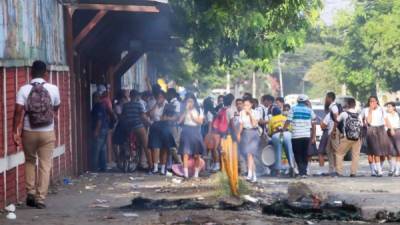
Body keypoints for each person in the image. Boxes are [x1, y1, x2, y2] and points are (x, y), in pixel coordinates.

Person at [13, 60, 61, 209]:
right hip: (47, 132)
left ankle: (31, 192)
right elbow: (56, 106)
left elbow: (18, 112)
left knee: (29, 161)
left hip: (29, 131)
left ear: (31, 72)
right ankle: (40, 198)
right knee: (45, 165)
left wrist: (15, 131)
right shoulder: (53, 89)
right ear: (46, 73)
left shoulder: (24, 89)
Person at [120, 90, 152, 173]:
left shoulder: (125, 105)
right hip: (138, 127)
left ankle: (128, 157)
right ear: (137, 96)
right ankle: (151, 166)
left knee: (127, 143)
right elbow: (143, 117)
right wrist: (150, 124)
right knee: (146, 145)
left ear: (130, 96)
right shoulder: (139, 105)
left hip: (128, 128)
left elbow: (122, 116)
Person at [284, 95, 316, 178]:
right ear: (306, 102)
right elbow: (314, 123)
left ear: (297, 101)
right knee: (304, 154)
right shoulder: (309, 110)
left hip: (296, 136)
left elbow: (288, 121)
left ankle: (301, 172)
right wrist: (313, 136)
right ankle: (303, 172)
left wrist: (283, 129)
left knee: (297, 154)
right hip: (306, 136)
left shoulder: (293, 109)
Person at [362, 96, 392, 177]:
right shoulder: (366, 110)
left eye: (374, 101)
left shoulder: (381, 109)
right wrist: (370, 111)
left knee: (383, 153)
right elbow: (368, 121)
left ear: (377, 101)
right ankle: (377, 171)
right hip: (371, 130)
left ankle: (378, 169)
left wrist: (391, 129)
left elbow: (386, 120)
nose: (372, 103)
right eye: (371, 101)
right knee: (374, 152)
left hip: (381, 130)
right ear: (369, 102)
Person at [178, 93, 205, 178]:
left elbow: (200, 122)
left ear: (194, 102)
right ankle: (185, 175)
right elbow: (179, 121)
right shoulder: (184, 110)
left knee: (197, 154)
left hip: (195, 131)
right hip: (186, 131)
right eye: (188, 101)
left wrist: (193, 117)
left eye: (191, 101)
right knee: (185, 153)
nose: (189, 103)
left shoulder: (199, 110)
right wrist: (186, 111)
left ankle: (196, 174)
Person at [334, 98, 363, 177]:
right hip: (357, 138)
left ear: (348, 104)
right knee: (355, 155)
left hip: (347, 137)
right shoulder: (358, 114)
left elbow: (337, 120)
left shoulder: (344, 113)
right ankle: (353, 172)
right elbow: (362, 125)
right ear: (354, 105)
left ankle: (339, 172)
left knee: (339, 153)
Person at [238, 98, 261, 183]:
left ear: (251, 105)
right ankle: (254, 176)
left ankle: (249, 174)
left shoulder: (256, 112)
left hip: (254, 133)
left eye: (247, 105)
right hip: (245, 134)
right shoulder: (241, 113)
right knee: (249, 156)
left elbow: (254, 124)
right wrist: (238, 135)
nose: (245, 107)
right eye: (244, 105)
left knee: (249, 154)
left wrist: (250, 114)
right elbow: (241, 125)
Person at [268, 107, 295, 177]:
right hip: (286, 134)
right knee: (289, 151)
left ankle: (278, 171)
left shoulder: (271, 120)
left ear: (273, 113)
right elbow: (291, 129)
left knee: (278, 153)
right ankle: (292, 167)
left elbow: (269, 133)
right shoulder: (285, 118)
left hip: (276, 135)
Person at [148, 91, 168, 174]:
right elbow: (151, 114)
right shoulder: (156, 105)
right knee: (155, 147)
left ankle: (163, 169)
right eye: (158, 97)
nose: (159, 98)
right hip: (155, 126)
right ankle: (155, 168)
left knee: (164, 148)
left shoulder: (167, 105)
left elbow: (164, 117)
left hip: (164, 126)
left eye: (160, 97)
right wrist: (156, 104)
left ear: (164, 98)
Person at [322, 92, 340, 176]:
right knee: (328, 150)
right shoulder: (331, 107)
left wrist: (334, 130)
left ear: (330, 98)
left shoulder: (333, 107)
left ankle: (338, 170)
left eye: (326, 98)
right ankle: (331, 170)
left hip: (333, 132)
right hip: (330, 132)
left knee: (336, 151)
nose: (325, 99)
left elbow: (337, 119)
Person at [91, 91, 110, 172]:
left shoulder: (98, 106)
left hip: (100, 130)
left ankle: (94, 168)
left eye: (94, 98)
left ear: (97, 98)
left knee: (96, 149)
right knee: (103, 149)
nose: (93, 99)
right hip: (104, 129)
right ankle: (103, 167)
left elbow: (99, 120)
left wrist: (96, 131)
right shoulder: (102, 106)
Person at [385, 102, 400, 176]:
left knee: (398, 151)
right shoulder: (386, 114)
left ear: (394, 107)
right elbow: (386, 122)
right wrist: (391, 129)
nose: (388, 108)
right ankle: (392, 168)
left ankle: (397, 170)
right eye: (387, 107)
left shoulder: (397, 114)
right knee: (389, 152)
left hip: (397, 132)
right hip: (389, 132)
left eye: (389, 107)